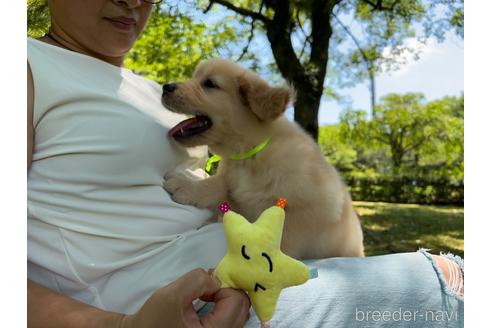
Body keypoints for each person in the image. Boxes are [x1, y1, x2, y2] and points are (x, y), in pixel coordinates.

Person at [28, 1, 463, 327]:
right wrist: (120, 326)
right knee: (451, 282)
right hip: (167, 307)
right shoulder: (27, 64)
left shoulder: (147, 88)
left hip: (257, 272)